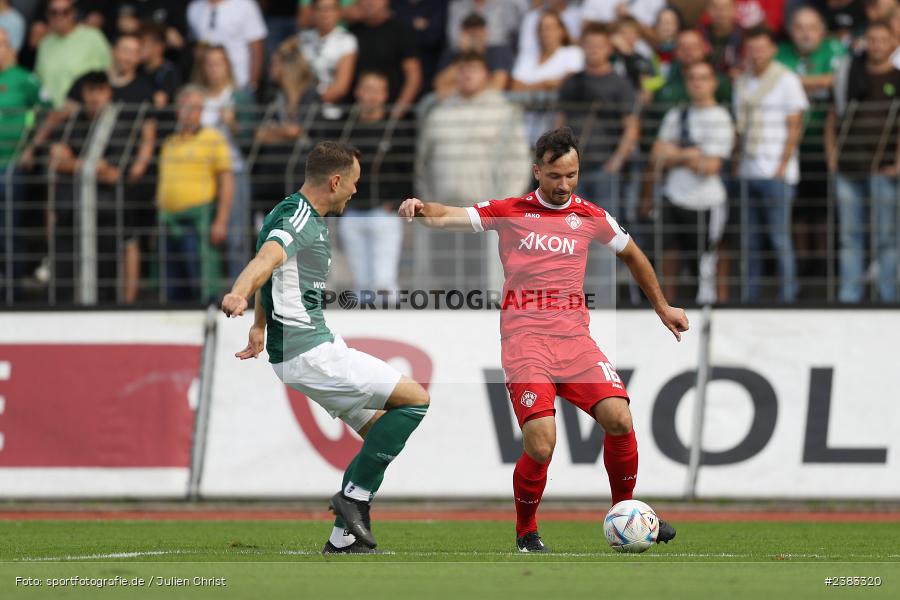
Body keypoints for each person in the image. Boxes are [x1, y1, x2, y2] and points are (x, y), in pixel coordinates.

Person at [400, 127, 686, 552]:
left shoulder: (591, 216)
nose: (564, 184)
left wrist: (662, 306)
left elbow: (632, 254)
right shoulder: (511, 210)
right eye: (555, 176)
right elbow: (451, 215)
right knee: (542, 440)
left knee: (620, 419)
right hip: (526, 343)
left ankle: (626, 513)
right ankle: (526, 532)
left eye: (571, 175)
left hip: (576, 342)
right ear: (537, 171)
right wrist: (422, 209)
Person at [222, 141, 430, 554]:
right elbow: (264, 261)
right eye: (352, 183)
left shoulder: (295, 212)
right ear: (335, 181)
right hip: (309, 351)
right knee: (415, 401)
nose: (355, 191)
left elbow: (275, 272)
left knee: (379, 436)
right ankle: (353, 499)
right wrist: (238, 293)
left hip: (303, 349)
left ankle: (343, 537)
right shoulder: (299, 217)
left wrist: (260, 326)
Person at [643, 61, 735, 303]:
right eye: (693, 77)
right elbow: (656, 154)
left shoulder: (721, 117)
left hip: (707, 201)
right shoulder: (676, 114)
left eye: (703, 78)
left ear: (713, 83)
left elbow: (711, 166)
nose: (697, 83)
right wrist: (692, 154)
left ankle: (709, 308)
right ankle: (665, 307)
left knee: (706, 261)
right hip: (674, 196)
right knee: (669, 255)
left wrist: (674, 154)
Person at [733, 25, 808, 303]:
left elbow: (795, 126)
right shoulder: (741, 82)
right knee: (750, 241)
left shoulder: (787, 80)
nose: (757, 53)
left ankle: (788, 296)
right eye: (752, 49)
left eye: (762, 48)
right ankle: (750, 297)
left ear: (773, 50)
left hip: (778, 173)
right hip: (747, 170)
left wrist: (781, 167)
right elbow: (740, 130)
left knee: (779, 239)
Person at [827, 19, 900, 302]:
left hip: (883, 169)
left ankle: (888, 296)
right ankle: (850, 296)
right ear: (864, 43)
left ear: (893, 43)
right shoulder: (851, 74)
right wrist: (832, 157)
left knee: (886, 237)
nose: (877, 45)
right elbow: (833, 117)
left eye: (883, 40)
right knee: (849, 238)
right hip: (848, 166)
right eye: (872, 39)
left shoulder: (897, 77)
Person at [776, 6, 846, 283]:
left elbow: (839, 80)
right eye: (800, 27)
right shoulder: (781, 52)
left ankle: (823, 261)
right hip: (790, 148)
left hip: (827, 145)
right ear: (792, 31)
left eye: (811, 27)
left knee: (824, 208)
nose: (805, 33)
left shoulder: (835, 49)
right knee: (799, 210)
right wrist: (819, 84)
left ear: (822, 30)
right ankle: (804, 263)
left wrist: (796, 84)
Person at [417, 52, 530, 209]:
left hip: (489, 214)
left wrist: (504, 206)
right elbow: (423, 163)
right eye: (462, 69)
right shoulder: (438, 113)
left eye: (474, 69)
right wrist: (429, 204)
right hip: (444, 212)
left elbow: (519, 162)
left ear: (487, 75)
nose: (468, 74)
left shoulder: (504, 112)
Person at [157, 86, 234, 303]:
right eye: (185, 107)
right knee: (171, 284)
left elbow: (226, 180)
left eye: (196, 108)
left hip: (197, 221)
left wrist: (221, 219)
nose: (190, 112)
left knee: (200, 281)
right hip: (168, 221)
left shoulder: (213, 138)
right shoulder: (169, 142)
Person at [338, 71, 410, 294]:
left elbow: (408, 170)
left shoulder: (397, 129)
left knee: (384, 282)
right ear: (358, 92)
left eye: (377, 91)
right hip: (352, 213)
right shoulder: (344, 128)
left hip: (384, 213)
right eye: (367, 89)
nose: (371, 96)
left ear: (385, 95)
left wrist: (396, 202)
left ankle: (389, 327)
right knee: (361, 285)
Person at [557, 23, 639, 214]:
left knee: (605, 231)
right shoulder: (571, 81)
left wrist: (616, 161)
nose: (593, 50)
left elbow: (632, 126)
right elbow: (560, 121)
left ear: (609, 49)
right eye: (589, 44)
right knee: (571, 230)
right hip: (571, 169)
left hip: (604, 167)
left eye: (599, 45)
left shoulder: (620, 84)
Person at [193, 45, 255, 282]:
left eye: (219, 63)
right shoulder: (198, 98)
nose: (214, 69)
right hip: (201, 174)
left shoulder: (238, 96)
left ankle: (238, 291)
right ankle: (210, 290)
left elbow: (250, 137)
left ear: (227, 66)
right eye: (209, 64)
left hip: (233, 169)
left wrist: (233, 124)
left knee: (235, 236)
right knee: (207, 233)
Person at [0, 25, 43, 296]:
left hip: (11, 164)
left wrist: (31, 147)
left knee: (9, 228)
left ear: (10, 49)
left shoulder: (25, 79)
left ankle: (13, 291)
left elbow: (43, 113)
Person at [34, 0, 111, 108]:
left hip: (81, 114)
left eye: (65, 12)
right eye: (54, 12)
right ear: (47, 15)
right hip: (48, 113)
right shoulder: (45, 43)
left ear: (73, 13)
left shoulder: (93, 37)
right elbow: (40, 81)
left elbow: (109, 73)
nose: (59, 16)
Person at [350, 0, 422, 114]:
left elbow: (413, 76)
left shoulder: (401, 30)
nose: (370, 2)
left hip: (392, 112)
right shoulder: (351, 32)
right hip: (356, 114)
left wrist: (399, 110)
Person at [187, 0, 267, 92]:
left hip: (240, 81)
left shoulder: (245, 5)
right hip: (207, 85)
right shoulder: (194, 8)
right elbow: (196, 44)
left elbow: (257, 48)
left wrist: (252, 84)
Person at [299, 0, 358, 119]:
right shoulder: (300, 39)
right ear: (312, 12)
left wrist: (311, 100)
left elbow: (341, 87)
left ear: (339, 13)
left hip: (329, 111)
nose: (325, 13)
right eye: (320, 9)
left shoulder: (346, 40)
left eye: (330, 9)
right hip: (299, 108)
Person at [433, 12, 513, 98]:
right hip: (458, 104)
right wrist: (464, 55)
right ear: (462, 33)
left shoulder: (498, 51)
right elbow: (440, 87)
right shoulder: (453, 54)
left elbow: (497, 86)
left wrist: (464, 89)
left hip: (490, 105)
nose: (473, 35)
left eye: (477, 30)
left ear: (485, 32)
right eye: (469, 31)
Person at [140, 21, 182, 109]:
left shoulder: (168, 72)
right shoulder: (137, 69)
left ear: (159, 47)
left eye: (144, 44)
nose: (139, 48)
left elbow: (161, 102)